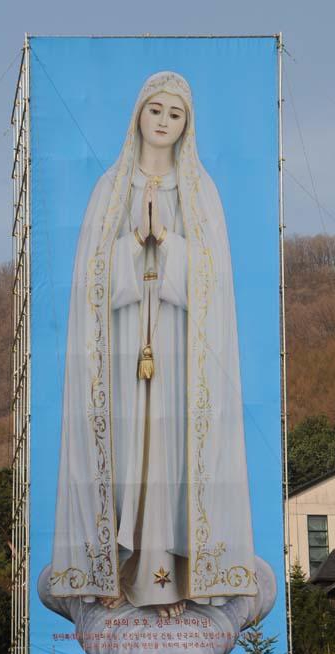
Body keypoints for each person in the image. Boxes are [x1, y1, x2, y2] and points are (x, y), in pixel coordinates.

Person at [47, 71, 257, 619]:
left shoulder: (200, 192)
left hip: (179, 348)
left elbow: (214, 284)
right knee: (122, 450)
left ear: (188, 126)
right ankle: (110, 573)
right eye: (155, 109)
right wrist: (131, 245)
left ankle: (166, 581)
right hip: (121, 347)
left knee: (170, 452)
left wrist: (167, 242)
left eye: (175, 113)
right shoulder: (109, 189)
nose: (163, 121)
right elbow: (89, 281)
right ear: (138, 115)